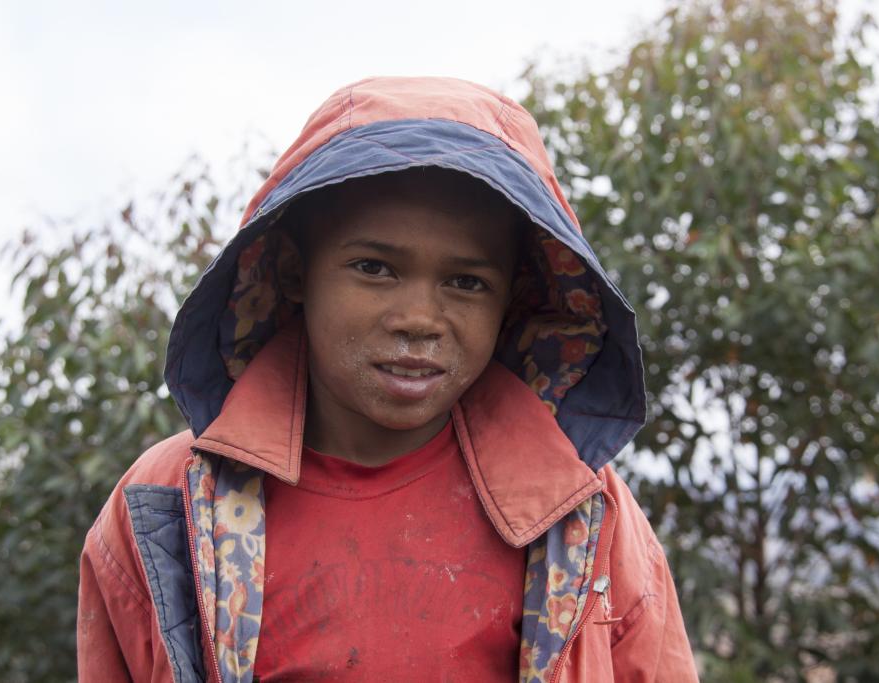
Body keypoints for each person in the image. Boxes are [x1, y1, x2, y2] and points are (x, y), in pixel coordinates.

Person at [77, 76, 699, 683]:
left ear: (514, 299)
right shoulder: (168, 506)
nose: (419, 320)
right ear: (294, 273)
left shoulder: (582, 515)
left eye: (466, 282)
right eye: (374, 267)